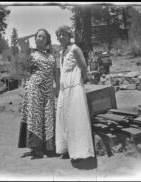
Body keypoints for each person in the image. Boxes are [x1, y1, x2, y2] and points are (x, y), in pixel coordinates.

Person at [55, 25, 95, 160]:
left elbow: (84, 67)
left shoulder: (75, 49)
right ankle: (66, 148)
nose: (61, 37)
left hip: (74, 87)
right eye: (59, 35)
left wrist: (79, 83)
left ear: (69, 36)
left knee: (75, 118)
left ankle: (80, 151)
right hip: (63, 88)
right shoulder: (62, 52)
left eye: (64, 35)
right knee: (64, 118)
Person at [18, 29, 58, 159]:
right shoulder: (30, 52)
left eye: (43, 37)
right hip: (34, 88)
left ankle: (48, 148)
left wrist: (57, 86)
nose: (40, 39)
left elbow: (56, 72)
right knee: (35, 117)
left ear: (47, 40)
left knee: (47, 117)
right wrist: (33, 34)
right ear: (35, 39)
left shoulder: (51, 56)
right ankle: (36, 149)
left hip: (48, 91)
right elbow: (20, 40)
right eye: (38, 37)